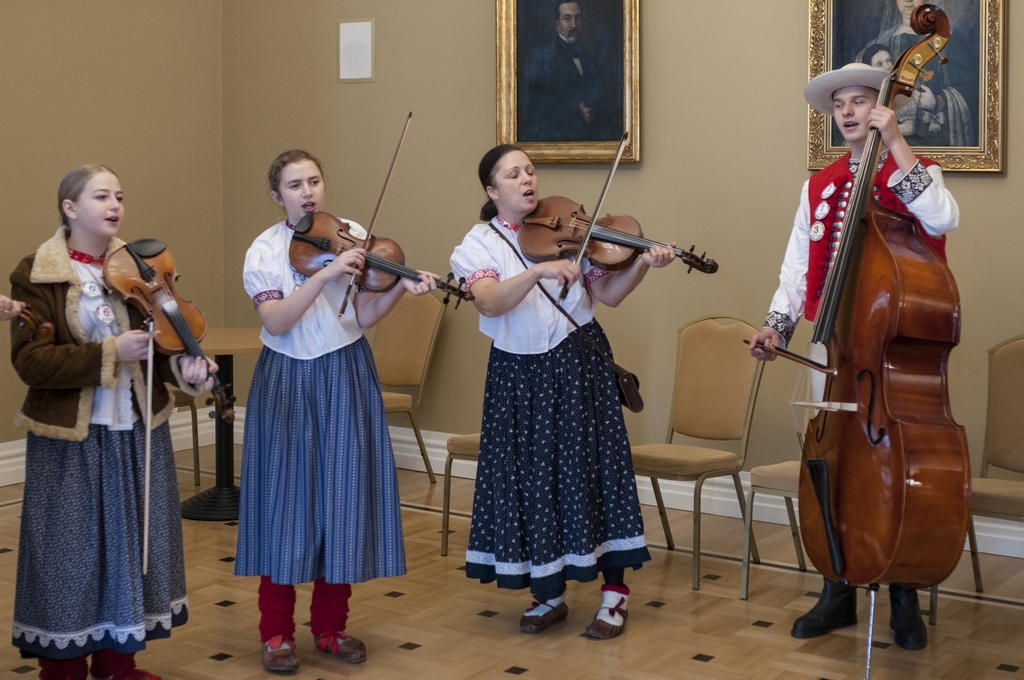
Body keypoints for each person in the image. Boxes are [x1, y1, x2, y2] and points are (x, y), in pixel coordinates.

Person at [748, 63, 959, 651]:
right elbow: (796, 268)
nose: (847, 111)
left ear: (883, 108)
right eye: (839, 103)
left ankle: (903, 591)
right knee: (834, 460)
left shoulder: (912, 170)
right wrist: (776, 327)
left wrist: (897, 143)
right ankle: (836, 587)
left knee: (898, 468)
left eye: (860, 101)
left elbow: (944, 217)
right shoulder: (819, 185)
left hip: (891, 350)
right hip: (836, 344)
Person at [450, 144, 675, 640]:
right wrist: (537, 270)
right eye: (513, 174)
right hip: (517, 373)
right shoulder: (477, 245)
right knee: (533, 479)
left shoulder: (568, 230)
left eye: (530, 171)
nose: (527, 180)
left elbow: (608, 294)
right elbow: (489, 303)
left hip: (577, 362)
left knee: (595, 471)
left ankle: (614, 595)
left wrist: (641, 263)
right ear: (491, 189)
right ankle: (549, 592)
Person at [9, 165, 217, 680]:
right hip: (70, 439)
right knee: (67, 556)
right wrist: (110, 352)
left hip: (136, 432)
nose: (114, 205)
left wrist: (188, 367)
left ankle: (117, 663)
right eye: (101, 196)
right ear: (70, 208)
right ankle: (62, 668)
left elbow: (165, 346)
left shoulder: (142, 268)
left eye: (118, 196)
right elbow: (31, 363)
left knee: (135, 548)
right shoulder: (36, 272)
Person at [234, 149, 437, 671]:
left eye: (314, 181)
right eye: (295, 185)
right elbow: (277, 321)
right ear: (277, 196)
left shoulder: (351, 235)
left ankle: (330, 628)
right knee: (283, 502)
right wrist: (324, 276)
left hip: (345, 371)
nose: (307, 192)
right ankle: (276, 634)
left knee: (343, 499)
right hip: (286, 377)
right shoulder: (264, 250)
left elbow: (363, 315)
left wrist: (400, 287)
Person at [853, 0, 976, 146]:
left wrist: (938, 101)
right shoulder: (878, 45)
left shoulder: (950, 41)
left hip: (938, 142)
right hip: (891, 144)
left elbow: (975, 89)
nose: (908, 0)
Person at [519, 1, 619, 142]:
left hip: (591, 142)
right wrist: (576, 115)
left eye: (577, 18)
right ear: (557, 25)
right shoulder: (542, 60)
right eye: (567, 19)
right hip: (555, 142)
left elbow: (603, 104)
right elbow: (537, 110)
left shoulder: (590, 59)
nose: (574, 25)